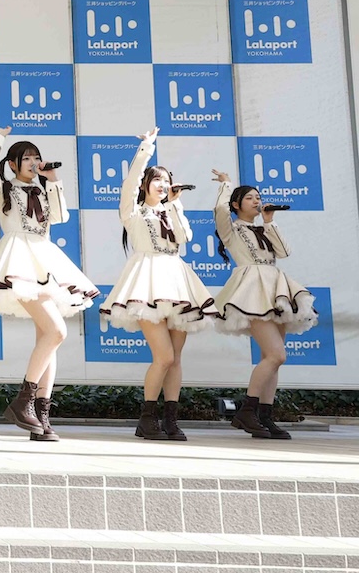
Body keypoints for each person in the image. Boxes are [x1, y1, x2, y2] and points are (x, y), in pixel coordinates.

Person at [0, 128, 97, 441]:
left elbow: (61, 216)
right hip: (19, 261)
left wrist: (53, 179)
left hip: (45, 260)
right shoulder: (3, 189)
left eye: (36, 157)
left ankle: (41, 417)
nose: (33, 162)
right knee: (57, 331)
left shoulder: (44, 188)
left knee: (48, 337)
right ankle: (23, 401)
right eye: (27, 158)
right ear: (13, 164)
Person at [101, 127, 215, 441]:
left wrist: (175, 205)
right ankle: (147, 418)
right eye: (157, 180)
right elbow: (130, 182)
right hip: (146, 283)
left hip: (177, 282)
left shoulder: (171, 209)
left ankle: (170, 420)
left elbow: (185, 237)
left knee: (175, 359)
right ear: (146, 185)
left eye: (166, 180)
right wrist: (146, 149)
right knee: (163, 356)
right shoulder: (132, 211)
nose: (163, 185)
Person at [211, 170, 316, 439]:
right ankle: (247, 411)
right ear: (237, 204)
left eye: (258, 197)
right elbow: (220, 211)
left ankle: (265, 416)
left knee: (272, 360)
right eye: (250, 198)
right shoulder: (232, 229)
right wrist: (226, 185)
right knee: (276, 355)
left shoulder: (265, 227)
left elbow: (284, 252)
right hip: (252, 290)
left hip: (276, 288)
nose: (257, 201)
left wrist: (270, 221)